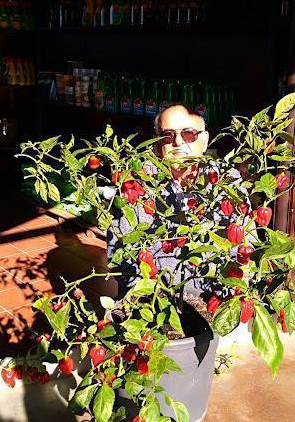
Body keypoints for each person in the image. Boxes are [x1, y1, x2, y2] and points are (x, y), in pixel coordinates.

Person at [106, 103, 247, 296]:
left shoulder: (227, 182)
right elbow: (119, 256)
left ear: (204, 140)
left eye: (189, 133)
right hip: (155, 297)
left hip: (211, 296)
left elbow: (242, 250)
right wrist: (156, 295)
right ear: (157, 145)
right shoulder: (136, 185)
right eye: (168, 136)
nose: (178, 142)